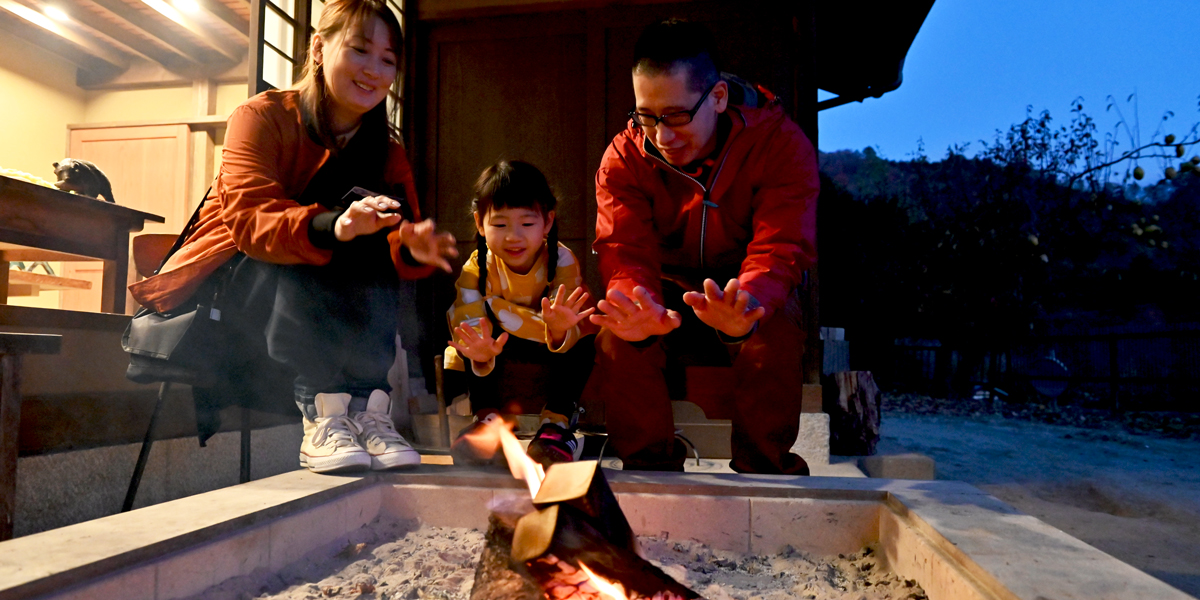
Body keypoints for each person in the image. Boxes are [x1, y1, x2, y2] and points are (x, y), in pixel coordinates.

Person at [128, 0, 458, 474]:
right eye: (360, 50)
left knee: (372, 243)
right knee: (337, 233)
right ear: (320, 49)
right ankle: (324, 409)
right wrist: (336, 224)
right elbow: (250, 222)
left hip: (329, 305)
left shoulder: (386, 151)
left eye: (388, 60)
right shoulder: (261, 117)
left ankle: (367, 406)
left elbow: (396, 233)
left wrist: (410, 246)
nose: (374, 70)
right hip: (240, 287)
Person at [589, 19, 819, 474]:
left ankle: (764, 472)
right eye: (646, 117)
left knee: (772, 324)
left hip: (745, 284)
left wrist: (748, 300)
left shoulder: (778, 142)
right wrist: (638, 301)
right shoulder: (624, 155)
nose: (662, 136)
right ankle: (651, 471)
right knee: (618, 332)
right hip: (667, 287)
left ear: (716, 97)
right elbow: (624, 246)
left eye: (675, 116)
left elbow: (782, 243)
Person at [444, 160, 596, 467]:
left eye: (526, 224)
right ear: (479, 223)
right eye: (499, 225)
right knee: (472, 337)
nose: (513, 236)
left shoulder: (561, 258)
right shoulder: (476, 268)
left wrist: (557, 327)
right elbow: (467, 314)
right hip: (501, 343)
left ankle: (556, 425)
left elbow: (564, 308)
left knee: (584, 339)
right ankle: (488, 421)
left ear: (548, 222)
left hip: (549, 341)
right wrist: (481, 348)